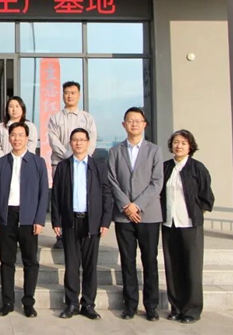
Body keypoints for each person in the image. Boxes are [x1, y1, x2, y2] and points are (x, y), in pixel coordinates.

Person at [107, 107, 163, 322]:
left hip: (148, 215)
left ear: (144, 124)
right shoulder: (115, 151)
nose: (134, 124)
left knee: (150, 261)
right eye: (130, 121)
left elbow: (157, 182)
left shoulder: (154, 150)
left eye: (138, 120)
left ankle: (151, 306)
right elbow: (112, 180)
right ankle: (130, 305)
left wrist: (137, 205)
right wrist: (126, 206)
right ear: (124, 125)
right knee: (127, 261)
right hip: (124, 216)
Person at [52, 128, 113, 320]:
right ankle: (71, 303)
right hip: (70, 222)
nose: (78, 143)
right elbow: (56, 195)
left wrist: (105, 221)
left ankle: (88, 304)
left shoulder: (98, 166)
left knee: (90, 265)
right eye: (75, 140)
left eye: (82, 140)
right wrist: (56, 220)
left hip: (91, 221)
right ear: (70, 143)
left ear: (88, 142)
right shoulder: (63, 166)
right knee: (71, 265)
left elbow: (106, 194)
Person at [0, 122, 48, 318]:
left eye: (20, 135)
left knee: (30, 261)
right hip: (6, 216)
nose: (16, 139)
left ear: (27, 138)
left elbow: (43, 194)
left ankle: (28, 303)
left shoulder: (37, 162)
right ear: (9, 138)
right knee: (6, 261)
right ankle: (7, 302)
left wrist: (39, 220)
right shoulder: (1, 163)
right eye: (13, 135)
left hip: (28, 218)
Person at [161, 129, 215, 324]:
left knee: (191, 267)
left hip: (190, 224)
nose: (179, 146)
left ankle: (192, 310)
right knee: (172, 266)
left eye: (183, 143)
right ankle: (176, 308)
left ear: (190, 146)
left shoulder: (197, 168)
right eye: (176, 142)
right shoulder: (166, 167)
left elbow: (206, 197)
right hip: (169, 223)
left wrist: (197, 213)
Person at [47, 81, 98, 249]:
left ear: (79, 95)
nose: (69, 96)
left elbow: (91, 141)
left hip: (83, 164)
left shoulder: (87, 118)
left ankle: (84, 230)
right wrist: (70, 158)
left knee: (80, 196)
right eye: (66, 93)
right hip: (61, 164)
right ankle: (61, 235)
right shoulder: (55, 118)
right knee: (61, 197)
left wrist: (81, 158)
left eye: (73, 93)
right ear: (63, 95)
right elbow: (53, 140)